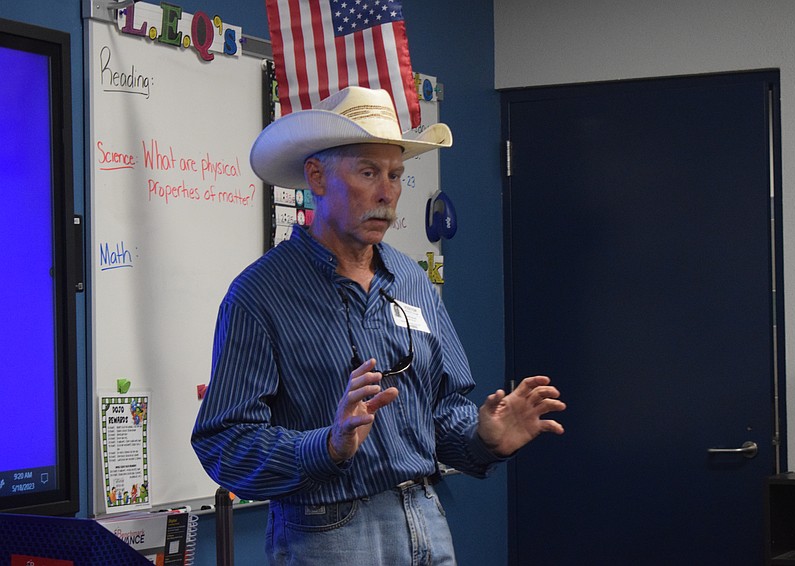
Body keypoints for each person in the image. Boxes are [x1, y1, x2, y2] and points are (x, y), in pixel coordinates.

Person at [191, 86, 565, 565]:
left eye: (395, 174)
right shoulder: (260, 295)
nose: (388, 193)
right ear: (316, 177)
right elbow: (225, 443)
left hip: (425, 514)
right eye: (368, 173)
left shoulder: (410, 278)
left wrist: (482, 440)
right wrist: (327, 445)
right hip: (328, 531)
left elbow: (441, 411)